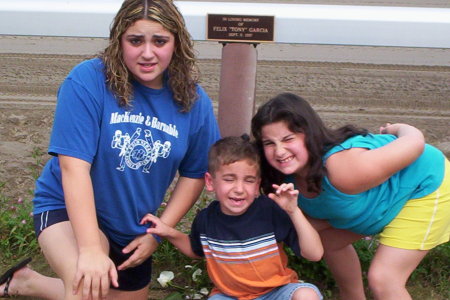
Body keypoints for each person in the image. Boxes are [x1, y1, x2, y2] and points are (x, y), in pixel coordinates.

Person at [0, 0, 220, 299]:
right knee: (85, 287)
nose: (147, 53)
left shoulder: (194, 101)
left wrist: (158, 232)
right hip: (66, 209)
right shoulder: (88, 81)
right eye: (135, 40)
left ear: (177, 43)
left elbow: (194, 174)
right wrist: (90, 250)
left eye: (159, 41)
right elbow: (73, 168)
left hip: (131, 229)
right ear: (118, 41)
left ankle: (28, 283)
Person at [250, 92, 450, 300]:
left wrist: (398, 128)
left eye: (288, 139)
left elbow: (415, 144)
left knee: (384, 278)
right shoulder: (283, 179)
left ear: (309, 134)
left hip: (427, 183)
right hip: (383, 197)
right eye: (269, 143)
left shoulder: (343, 169)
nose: (279, 151)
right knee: (326, 241)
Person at [141, 135, 324, 300]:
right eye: (229, 179)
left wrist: (293, 211)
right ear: (210, 182)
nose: (239, 189)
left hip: (275, 292)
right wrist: (168, 232)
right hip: (230, 296)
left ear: (257, 184)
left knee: (306, 295)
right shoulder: (206, 220)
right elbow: (195, 251)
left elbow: (314, 254)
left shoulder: (270, 212)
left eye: (249, 180)